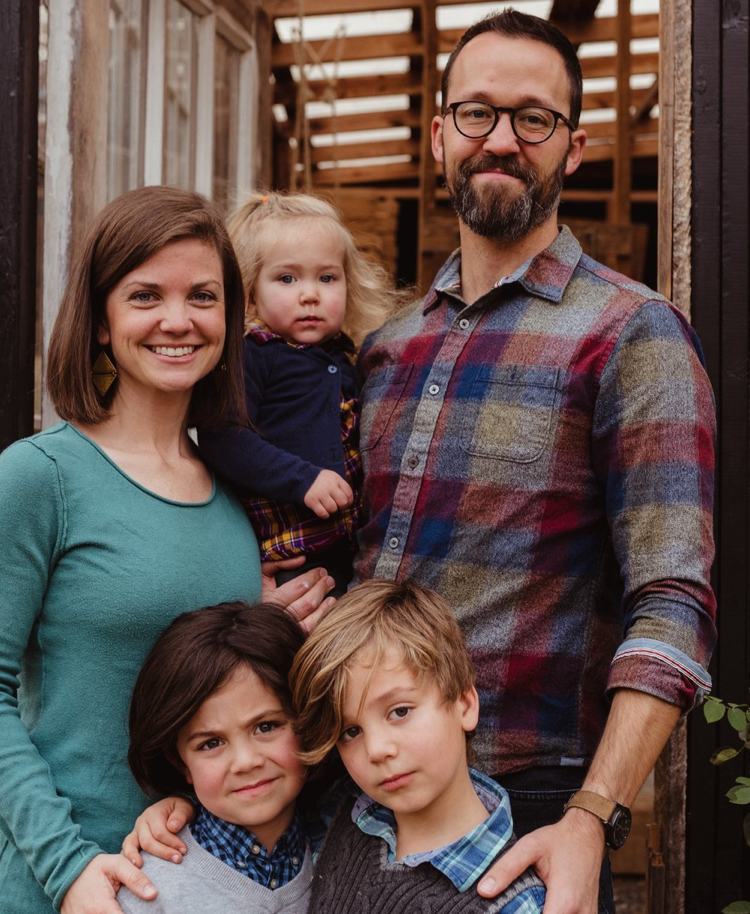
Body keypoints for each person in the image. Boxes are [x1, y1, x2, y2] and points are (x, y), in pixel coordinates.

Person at [352, 10, 717, 913]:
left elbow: (674, 601)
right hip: (360, 797)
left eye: (534, 119)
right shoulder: (389, 346)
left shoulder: (632, 333)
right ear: (439, 134)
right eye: (476, 114)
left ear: (574, 147)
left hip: (525, 815)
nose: (502, 141)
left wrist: (594, 817)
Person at [0, 186, 333, 914]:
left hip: (205, 882)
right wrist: (69, 871)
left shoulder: (233, 492)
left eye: (203, 297)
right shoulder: (39, 477)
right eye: (145, 295)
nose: (177, 321)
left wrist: (268, 626)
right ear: (99, 321)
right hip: (65, 883)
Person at [290, 579, 546, 914]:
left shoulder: (515, 904)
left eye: (399, 711)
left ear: (465, 704)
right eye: (351, 731)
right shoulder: (341, 817)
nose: (376, 749)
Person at [198, 192, 398, 595]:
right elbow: (223, 437)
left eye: (327, 278)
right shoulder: (253, 355)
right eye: (287, 278)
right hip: (288, 554)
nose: (311, 294)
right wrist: (303, 479)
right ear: (251, 294)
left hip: (346, 550)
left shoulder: (344, 359)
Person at [118, 601, 312, 913]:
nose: (246, 761)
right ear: (180, 762)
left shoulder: (344, 843)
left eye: (266, 727)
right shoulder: (147, 891)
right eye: (211, 743)